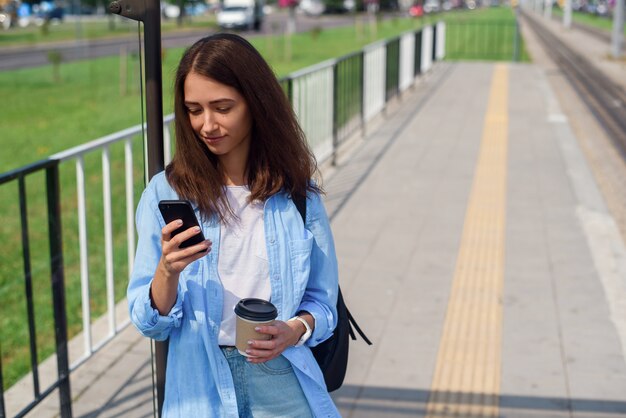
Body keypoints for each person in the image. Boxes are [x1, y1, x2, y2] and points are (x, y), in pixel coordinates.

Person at [127, 33, 341, 417]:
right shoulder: (166, 191)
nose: (206, 124)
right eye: (194, 110)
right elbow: (150, 323)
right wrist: (167, 270)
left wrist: (295, 330)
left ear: (255, 103)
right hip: (199, 383)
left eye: (222, 107)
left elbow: (323, 305)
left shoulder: (296, 194)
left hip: (280, 374)